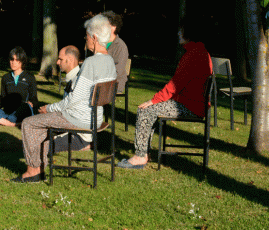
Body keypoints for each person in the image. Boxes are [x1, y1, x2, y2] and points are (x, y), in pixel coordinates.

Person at [12, 14, 117, 183]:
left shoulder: (91, 63)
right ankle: (39, 166)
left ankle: (33, 171)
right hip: (95, 118)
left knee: (29, 124)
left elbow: (74, 98)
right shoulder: (110, 61)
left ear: (94, 38)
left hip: (79, 118)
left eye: (87, 36)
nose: (86, 40)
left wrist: (50, 108)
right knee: (41, 125)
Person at [117, 17, 213, 170]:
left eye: (181, 31)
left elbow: (175, 84)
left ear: (189, 33)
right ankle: (144, 153)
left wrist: (154, 100)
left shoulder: (193, 54)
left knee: (145, 110)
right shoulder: (199, 51)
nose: (178, 34)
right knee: (149, 110)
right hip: (191, 103)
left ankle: (140, 156)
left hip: (190, 105)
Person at [101, 11, 130, 94]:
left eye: (104, 25)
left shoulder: (120, 46)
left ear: (114, 27)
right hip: (99, 81)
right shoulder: (99, 43)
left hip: (114, 83)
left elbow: (118, 71)